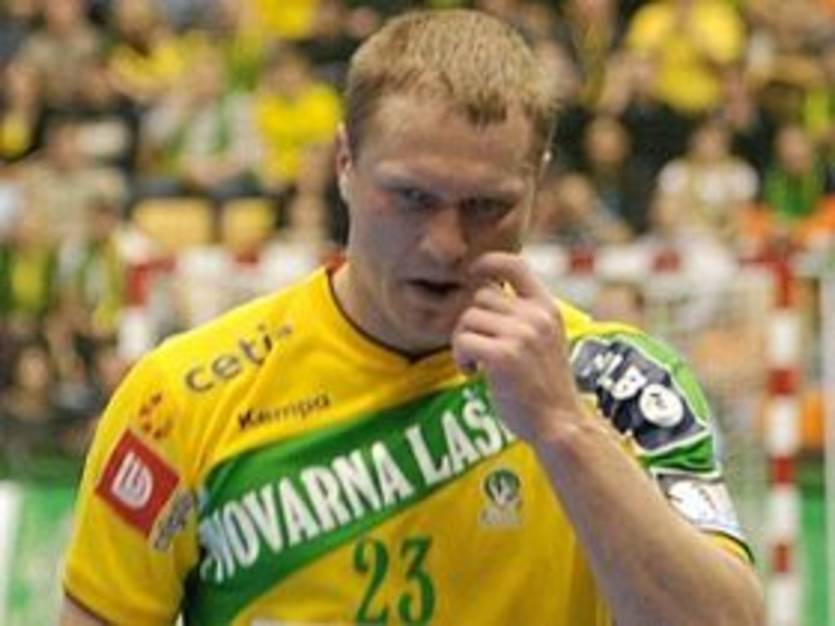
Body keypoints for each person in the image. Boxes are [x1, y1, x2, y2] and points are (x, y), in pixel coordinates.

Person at [60, 9, 764, 626]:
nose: (445, 244)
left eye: (486, 207)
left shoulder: (621, 385)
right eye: (411, 197)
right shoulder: (180, 398)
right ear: (343, 162)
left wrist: (562, 428)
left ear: (537, 183)